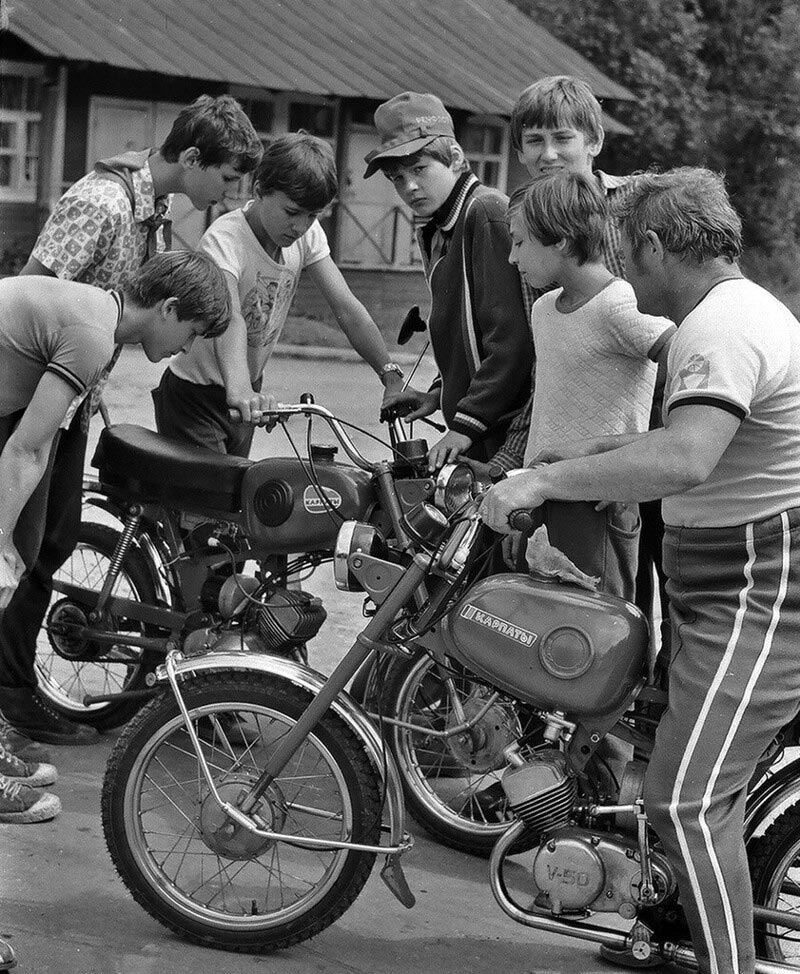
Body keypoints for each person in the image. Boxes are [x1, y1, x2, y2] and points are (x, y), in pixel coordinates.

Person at [481, 167, 800, 974]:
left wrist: (546, 479)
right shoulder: (721, 316)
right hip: (723, 580)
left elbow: (688, 457)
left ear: (656, 245)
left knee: (686, 803)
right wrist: (588, 453)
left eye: (628, 253)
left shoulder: (720, 327)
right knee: (667, 767)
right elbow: (699, 445)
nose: (622, 271)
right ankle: (671, 925)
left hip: (760, 589)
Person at [0, 94, 261, 747]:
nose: (229, 195)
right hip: (33, 401)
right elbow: (40, 288)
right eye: (226, 178)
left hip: (70, 397)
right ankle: (10, 697)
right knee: (20, 546)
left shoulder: (156, 213)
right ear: (193, 157)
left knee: (50, 542)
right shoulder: (104, 200)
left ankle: (13, 691)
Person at [0, 250, 229, 818]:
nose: (184, 350)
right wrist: (0, 541)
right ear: (169, 308)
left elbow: (42, 438)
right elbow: (25, 447)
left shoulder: (100, 321)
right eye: (191, 333)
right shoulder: (93, 334)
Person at [153, 132, 407, 455]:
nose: (301, 227)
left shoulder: (306, 234)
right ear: (259, 191)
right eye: (292, 212)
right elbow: (231, 317)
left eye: (313, 215)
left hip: (244, 395)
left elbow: (346, 307)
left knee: (237, 499)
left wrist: (388, 371)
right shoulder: (225, 240)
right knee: (204, 502)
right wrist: (241, 388)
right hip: (197, 397)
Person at [503, 171, 674, 599]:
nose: (511, 256)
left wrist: (636, 457)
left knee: (597, 630)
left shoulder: (620, 303)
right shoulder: (544, 309)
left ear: (559, 239)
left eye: (520, 242)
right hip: (542, 494)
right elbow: (548, 408)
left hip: (599, 503)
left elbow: (690, 365)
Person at [366, 91, 533, 470]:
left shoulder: (485, 213)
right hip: (483, 425)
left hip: (503, 429)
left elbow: (511, 342)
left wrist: (465, 423)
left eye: (419, 170)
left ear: (456, 158)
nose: (409, 186)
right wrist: (439, 394)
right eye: (397, 178)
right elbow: (466, 337)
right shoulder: (441, 227)